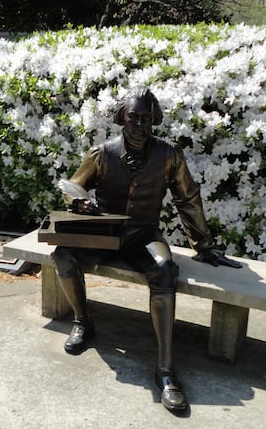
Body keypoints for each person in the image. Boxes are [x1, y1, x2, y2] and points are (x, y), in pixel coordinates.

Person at [51, 86, 240, 414]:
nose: (139, 125)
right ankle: (83, 321)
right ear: (122, 118)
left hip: (143, 235)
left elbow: (187, 198)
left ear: (155, 119)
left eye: (146, 119)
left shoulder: (169, 156)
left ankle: (165, 370)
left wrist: (203, 244)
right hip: (105, 234)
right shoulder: (101, 153)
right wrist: (79, 200)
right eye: (133, 117)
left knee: (164, 269)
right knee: (63, 255)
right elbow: (73, 185)